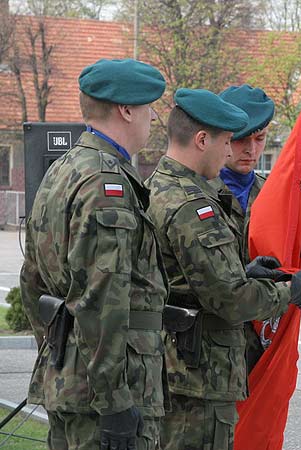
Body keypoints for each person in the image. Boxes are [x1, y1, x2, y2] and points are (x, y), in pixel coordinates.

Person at [145, 88, 301, 450]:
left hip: (197, 358)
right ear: (204, 139)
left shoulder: (163, 188)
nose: (238, 150)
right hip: (198, 368)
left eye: (260, 139)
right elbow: (230, 297)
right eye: (231, 140)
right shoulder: (194, 202)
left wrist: (254, 268)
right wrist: (290, 292)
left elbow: (203, 275)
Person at [20, 59, 168, 450]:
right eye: (149, 108)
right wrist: (114, 398)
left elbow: (32, 280)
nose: (152, 118)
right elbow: (104, 296)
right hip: (107, 392)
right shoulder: (106, 183)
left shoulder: (63, 169)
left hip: (72, 378)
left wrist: (57, 353)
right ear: (127, 110)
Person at [211, 84, 301, 372]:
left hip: (260, 339)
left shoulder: (273, 193)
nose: (251, 149)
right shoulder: (196, 191)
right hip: (211, 342)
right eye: (240, 140)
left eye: (260, 138)